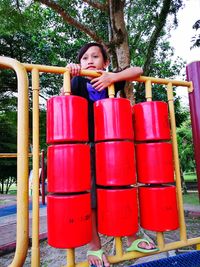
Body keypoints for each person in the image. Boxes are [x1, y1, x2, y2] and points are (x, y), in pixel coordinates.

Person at [62, 42, 158, 267]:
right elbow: (65, 100)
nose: (90, 61)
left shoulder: (112, 79)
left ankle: (132, 237)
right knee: (91, 198)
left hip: (114, 147)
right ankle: (94, 247)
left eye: (95, 57)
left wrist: (112, 77)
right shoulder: (77, 81)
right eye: (85, 58)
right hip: (88, 147)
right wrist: (69, 72)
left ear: (105, 62)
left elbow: (138, 71)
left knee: (120, 190)